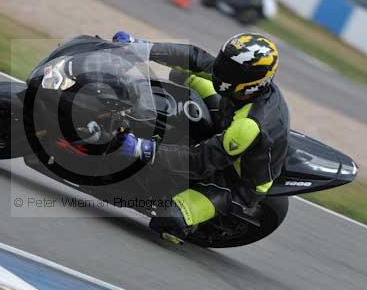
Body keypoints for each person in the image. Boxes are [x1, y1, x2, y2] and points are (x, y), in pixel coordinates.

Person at [114, 32, 289, 243]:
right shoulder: (239, 82)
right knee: (182, 74)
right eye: (223, 61)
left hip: (236, 179)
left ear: (252, 81)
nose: (220, 68)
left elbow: (200, 161)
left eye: (229, 68)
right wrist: (142, 47)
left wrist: (144, 149)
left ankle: (189, 221)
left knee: (169, 220)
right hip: (228, 117)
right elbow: (194, 57)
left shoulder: (250, 124)